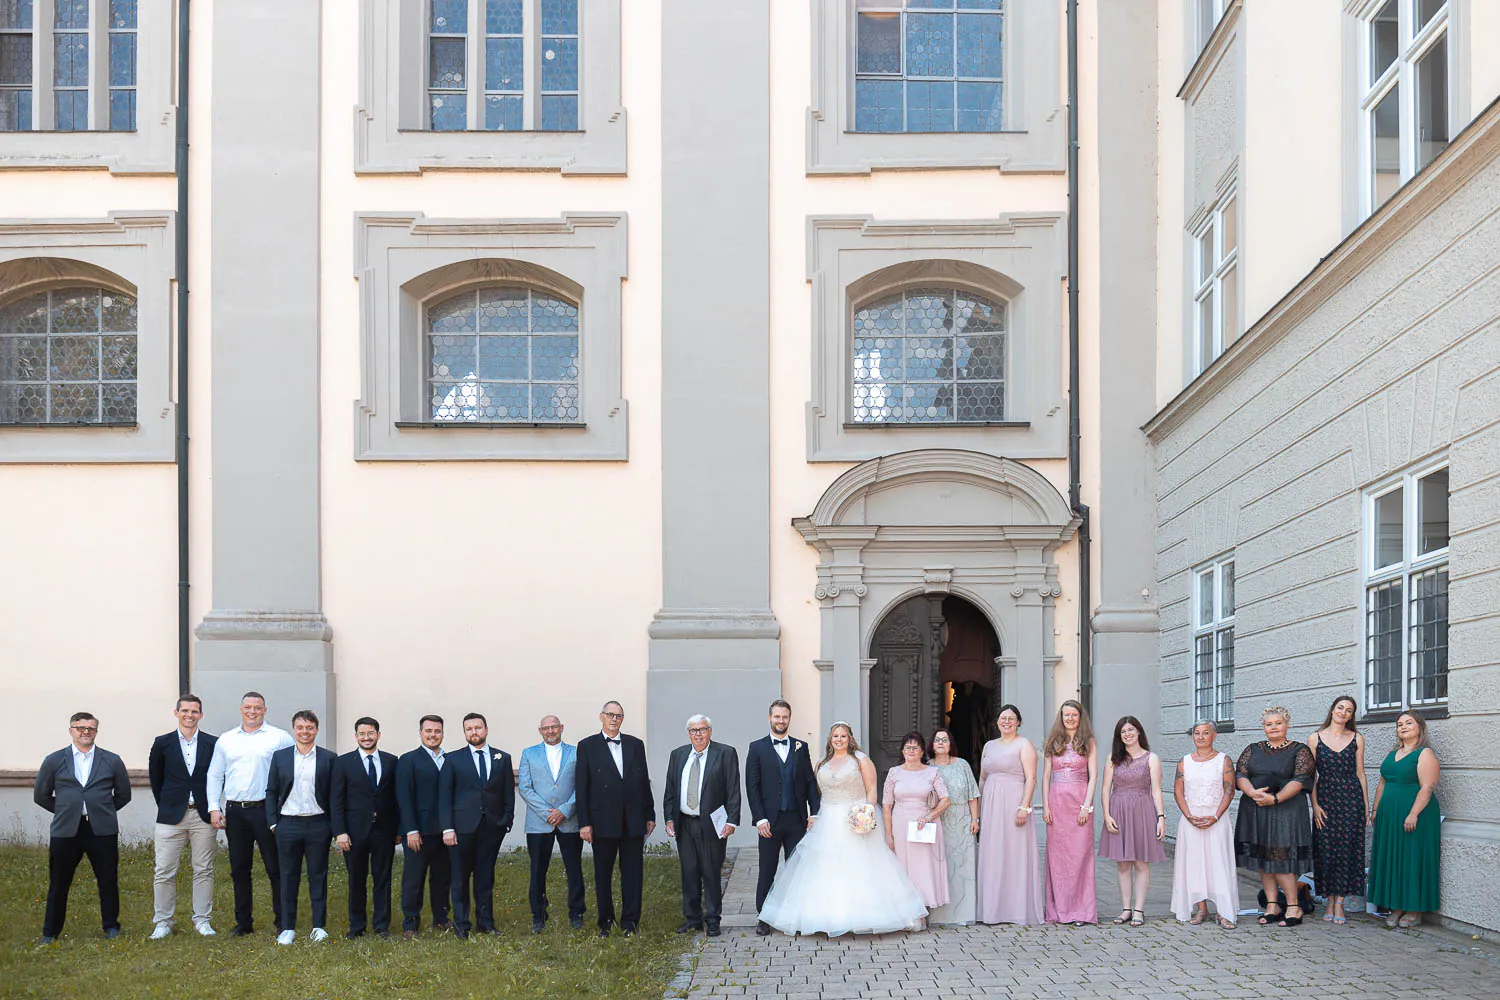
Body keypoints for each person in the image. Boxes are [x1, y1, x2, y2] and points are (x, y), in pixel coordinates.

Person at [758, 722, 928, 936]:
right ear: (830, 739)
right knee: (825, 867)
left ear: (850, 738)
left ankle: (868, 915)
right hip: (828, 819)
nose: (839, 739)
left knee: (860, 866)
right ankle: (825, 917)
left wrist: (866, 813)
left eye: (843, 736)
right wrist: (816, 815)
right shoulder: (822, 762)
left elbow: (871, 789)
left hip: (854, 818)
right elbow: (816, 792)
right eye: (835, 736)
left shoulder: (860, 760)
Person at [34, 712, 132, 944]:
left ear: (96, 732)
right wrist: (66, 810)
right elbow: (41, 795)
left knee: (108, 880)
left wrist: (102, 810)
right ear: (71, 731)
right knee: (59, 882)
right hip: (66, 830)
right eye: (80, 728)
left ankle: (111, 927)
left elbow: (123, 794)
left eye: (91, 728)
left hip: (101, 830)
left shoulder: (111, 760)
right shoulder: (55, 760)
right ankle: (50, 932)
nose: (85, 731)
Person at [206, 691, 294, 937]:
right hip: (236, 812)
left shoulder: (279, 738)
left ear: (265, 710)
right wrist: (214, 807)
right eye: (248, 707)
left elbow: (293, 771)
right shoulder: (226, 740)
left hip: (266, 810)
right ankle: (243, 923)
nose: (252, 711)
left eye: (257, 707)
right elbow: (215, 774)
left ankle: (283, 922)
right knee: (239, 869)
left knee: (275, 868)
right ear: (241, 709)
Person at [576, 700, 655, 937]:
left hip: (633, 820)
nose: (614, 719)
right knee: (603, 874)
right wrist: (584, 822)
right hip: (602, 822)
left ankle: (630, 922)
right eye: (610, 715)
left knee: (633, 874)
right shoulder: (587, 746)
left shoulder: (635, 745)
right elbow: (582, 786)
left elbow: (643, 781)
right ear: (601, 716)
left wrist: (649, 814)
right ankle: (606, 922)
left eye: (618, 715)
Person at [1233, 706, 1314, 927]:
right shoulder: (1253, 749)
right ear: (1264, 727)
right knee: (1263, 858)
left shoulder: (1300, 750)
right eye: (1269, 724)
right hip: (1256, 809)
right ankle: (1272, 905)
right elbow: (1240, 773)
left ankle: (1294, 907)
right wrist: (1251, 792)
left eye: (1278, 723)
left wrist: (1275, 799)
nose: (1274, 727)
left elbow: (1301, 779)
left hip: (1286, 811)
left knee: (1281, 860)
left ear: (1287, 724)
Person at [745, 699, 820, 937]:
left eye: (784, 717)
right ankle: (763, 917)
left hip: (796, 820)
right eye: (777, 717)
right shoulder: (757, 748)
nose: (780, 721)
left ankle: (792, 915)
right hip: (769, 822)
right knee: (767, 869)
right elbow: (752, 786)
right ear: (770, 718)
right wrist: (759, 819)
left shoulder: (801, 746)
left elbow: (809, 781)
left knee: (795, 870)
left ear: (789, 719)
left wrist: (814, 813)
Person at [147, 694, 219, 939]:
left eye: (194, 711)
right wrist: (168, 804)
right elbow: (156, 779)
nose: (190, 715)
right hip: (170, 816)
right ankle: (163, 922)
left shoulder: (213, 743)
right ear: (176, 713)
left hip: (203, 816)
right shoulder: (162, 743)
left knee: (204, 869)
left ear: (201, 715)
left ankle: (202, 920)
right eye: (185, 711)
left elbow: (218, 777)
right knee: (164, 870)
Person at [663, 714, 741, 937]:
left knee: (711, 872)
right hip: (684, 823)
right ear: (688, 733)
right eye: (694, 730)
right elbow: (670, 791)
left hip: (713, 824)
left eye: (703, 729)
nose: (698, 734)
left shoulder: (725, 753)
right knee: (689, 872)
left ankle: (713, 920)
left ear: (710, 731)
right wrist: (669, 818)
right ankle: (693, 919)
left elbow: (733, 789)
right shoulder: (678, 755)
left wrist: (732, 820)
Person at [440, 712, 514, 939]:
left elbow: (508, 793)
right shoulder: (453, 759)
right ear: (464, 733)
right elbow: (445, 796)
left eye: (478, 728)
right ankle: (462, 924)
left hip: (491, 828)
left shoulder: (503, 757)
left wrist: (505, 822)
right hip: (461, 829)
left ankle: (486, 923)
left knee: (485, 877)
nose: (474, 732)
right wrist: (447, 828)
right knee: (460, 878)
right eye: (469, 729)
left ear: (486, 729)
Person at [266, 709, 336, 945]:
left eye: (309, 727)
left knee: (318, 875)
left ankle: (319, 926)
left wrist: (332, 827)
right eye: (300, 727)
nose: (304, 732)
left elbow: (334, 795)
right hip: (288, 824)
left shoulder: (328, 758)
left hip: (318, 824)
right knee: (288, 876)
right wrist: (274, 823)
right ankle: (287, 928)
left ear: (316, 730)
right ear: (294, 729)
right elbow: (271, 791)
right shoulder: (281, 757)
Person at [1368, 712, 1441, 929]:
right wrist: (1375, 809)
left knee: (1411, 858)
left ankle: (1414, 909)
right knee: (1393, 859)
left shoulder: (1424, 753)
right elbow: (1382, 782)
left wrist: (1413, 813)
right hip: (1390, 815)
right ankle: (1396, 906)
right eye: (1400, 724)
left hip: (1415, 814)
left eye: (1409, 723)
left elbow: (1428, 786)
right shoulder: (1393, 753)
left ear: (1420, 727)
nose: (1403, 726)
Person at [331, 716, 399, 939]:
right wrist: (340, 831)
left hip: (384, 831)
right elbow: (337, 800)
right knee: (356, 879)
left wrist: (398, 829)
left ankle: (381, 926)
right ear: (356, 736)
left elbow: (396, 798)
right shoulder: (343, 763)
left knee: (383, 879)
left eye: (371, 733)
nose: (366, 737)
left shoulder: (391, 761)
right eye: (362, 734)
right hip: (353, 832)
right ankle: (357, 926)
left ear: (378, 735)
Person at [517, 714, 586, 933]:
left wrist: (565, 810)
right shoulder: (529, 754)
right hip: (539, 821)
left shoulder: (576, 752)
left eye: (554, 727)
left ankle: (576, 912)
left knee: (574, 868)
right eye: (546, 728)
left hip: (569, 820)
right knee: (538, 869)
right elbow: (525, 787)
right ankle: (538, 914)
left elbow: (583, 785)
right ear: (540, 731)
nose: (550, 731)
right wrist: (548, 813)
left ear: (561, 728)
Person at [976, 704, 1043, 925]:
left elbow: (1031, 778)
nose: (1007, 721)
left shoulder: (1024, 745)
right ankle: (992, 910)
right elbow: (983, 778)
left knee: (1014, 853)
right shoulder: (989, 745)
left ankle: (1015, 909)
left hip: (1014, 801)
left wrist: (1024, 807)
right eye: (1003, 718)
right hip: (991, 805)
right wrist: (980, 804)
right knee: (993, 853)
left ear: (1018, 722)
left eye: (1011, 718)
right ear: (997, 721)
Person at [1100, 715, 1167, 926]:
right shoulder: (1113, 758)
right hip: (1118, 810)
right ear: (1119, 736)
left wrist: (1161, 818)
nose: (1127, 734)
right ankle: (1125, 909)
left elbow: (1156, 790)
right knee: (1122, 863)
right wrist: (1106, 814)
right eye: (1123, 732)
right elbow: (1105, 789)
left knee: (1141, 862)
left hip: (1143, 811)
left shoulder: (1151, 758)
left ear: (1138, 731)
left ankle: (1139, 910)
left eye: (1131, 730)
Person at [1170, 721, 1238, 929]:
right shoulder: (1184, 762)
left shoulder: (1223, 760)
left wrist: (1216, 816)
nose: (1200, 737)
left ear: (1214, 736)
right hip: (1191, 819)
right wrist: (1189, 816)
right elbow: (1178, 791)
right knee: (1194, 863)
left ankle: (1224, 911)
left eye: (1205, 733)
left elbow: (1229, 790)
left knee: (1218, 862)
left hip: (1216, 819)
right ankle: (1201, 908)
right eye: (1196, 733)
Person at [1307, 695, 1368, 924]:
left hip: (1351, 798)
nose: (1343, 712)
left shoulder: (1357, 738)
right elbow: (1311, 776)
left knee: (1346, 851)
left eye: (1349, 710)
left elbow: (1361, 774)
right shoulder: (1315, 738)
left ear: (1352, 716)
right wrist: (1314, 805)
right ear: (1332, 710)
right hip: (1325, 798)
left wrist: (1365, 807)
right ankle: (1328, 901)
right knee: (1326, 850)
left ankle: (1339, 903)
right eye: (1340, 708)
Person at [1041, 699, 1098, 925]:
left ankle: (1081, 912)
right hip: (1057, 802)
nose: (1070, 719)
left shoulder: (1089, 742)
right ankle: (1060, 910)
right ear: (1061, 717)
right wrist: (1045, 805)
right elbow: (1046, 776)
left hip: (1079, 802)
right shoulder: (1053, 741)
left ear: (1080, 717)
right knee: (1058, 858)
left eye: (1074, 715)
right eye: (1066, 715)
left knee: (1080, 857)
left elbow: (1093, 775)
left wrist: (1087, 805)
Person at [881, 731, 950, 914]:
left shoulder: (932, 772)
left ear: (922, 751)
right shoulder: (894, 773)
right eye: (907, 747)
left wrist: (929, 817)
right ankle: (904, 910)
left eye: (915, 747)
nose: (911, 751)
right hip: (900, 823)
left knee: (922, 868)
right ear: (902, 751)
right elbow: (887, 805)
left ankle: (921, 911)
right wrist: (888, 834)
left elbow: (945, 800)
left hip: (923, 825)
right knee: (902, 866)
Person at [396, 715, 451, 938]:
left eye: (437, 731)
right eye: (428, 731)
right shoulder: (408, 760)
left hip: (444, 832)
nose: (433, 735)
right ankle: (410, 922)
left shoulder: (450, 759)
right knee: (413, 879)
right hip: (418, 832)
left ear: (442, 733)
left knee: (442, 877)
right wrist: (410, 829)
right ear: (420, 734)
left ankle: (441, 917)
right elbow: (404, 797)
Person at [926, 727, 980, 926]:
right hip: (938, 821)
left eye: (945, 740)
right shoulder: (927, 767)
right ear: (932, 745)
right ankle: (940, 915)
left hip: (962, 818)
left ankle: (964, 914)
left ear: (951, 745)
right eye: (937, 740)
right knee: (941, 865)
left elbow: (972, 794)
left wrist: (975, 819)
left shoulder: (962, 765)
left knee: (963, 867)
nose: (940, 743)